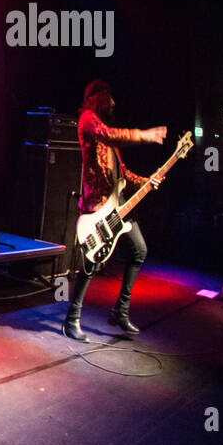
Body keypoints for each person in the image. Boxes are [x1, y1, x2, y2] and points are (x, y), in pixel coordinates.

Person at [63, 80, 164, 341]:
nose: (112, 103)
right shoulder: (87, 120)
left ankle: (121, 310)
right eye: (107, 98)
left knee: (139, 250)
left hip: (116, 205)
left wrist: (146, 181)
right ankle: (72, 319)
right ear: (95, 99)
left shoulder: (110, 138)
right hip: (97, 205)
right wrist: (143, 135)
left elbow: (123, 175)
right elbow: (107, 134)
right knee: (91, 263)